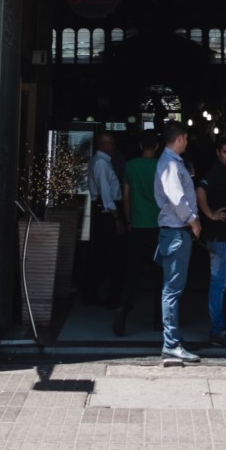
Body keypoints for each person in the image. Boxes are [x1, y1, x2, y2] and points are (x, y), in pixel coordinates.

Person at [154, 121, 201, 365]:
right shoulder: (171, 164)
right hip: (176, 231)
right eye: (187, 138)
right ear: (181, 138)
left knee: (171, 288)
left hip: (174, 232)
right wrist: (193, 220)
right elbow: (177, 198)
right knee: (172, 290)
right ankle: (171, 344)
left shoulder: (171, 162)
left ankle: (172, 341)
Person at [115, 129, 161, 336]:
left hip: (138, 225)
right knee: (161, 274)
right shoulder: (161, 166)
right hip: (159, 226)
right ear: (157, 147)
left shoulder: (131, 166)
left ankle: (122, 310)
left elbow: (125, 198)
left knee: (131, 272)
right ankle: (159, 319)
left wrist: (130, 220)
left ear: (141, 146)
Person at [197, 138, 226, 345]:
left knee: (222, 284)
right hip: (220, 236)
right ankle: (217, 331)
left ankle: (221, 324)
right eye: (225, 152)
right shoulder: (215, 172)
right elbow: (200, 191)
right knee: (218, 283)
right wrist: (210, 214)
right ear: (218, 153)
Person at [83, 131, 126, 308]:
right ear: (102, 145)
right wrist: (116, 218)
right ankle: (108, 297)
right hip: (107, 212)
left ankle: (98, 293)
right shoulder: (101, 163)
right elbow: (106, 194)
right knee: (111, 256)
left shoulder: (101, 162)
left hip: (105, 210)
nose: (114, 147)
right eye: (111, 143)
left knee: (104, 256)